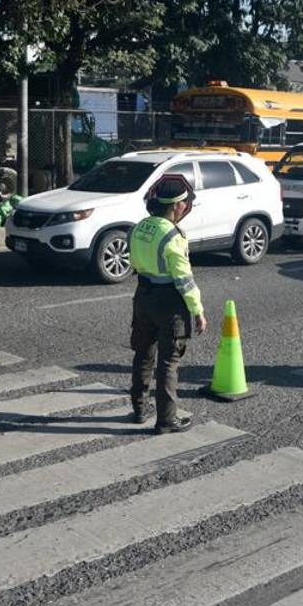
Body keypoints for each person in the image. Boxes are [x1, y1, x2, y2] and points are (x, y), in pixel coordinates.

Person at [128, 175, 207, 434]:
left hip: (142, 295)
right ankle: (166, 420)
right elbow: (184, 279)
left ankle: (139, 409)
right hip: (169, 302)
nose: (186, 207)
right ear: (176, 206)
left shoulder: (140, 226)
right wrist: (198, 311)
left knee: (142, 354)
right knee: (168, 362)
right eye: (184, 203)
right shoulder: (173, 235)